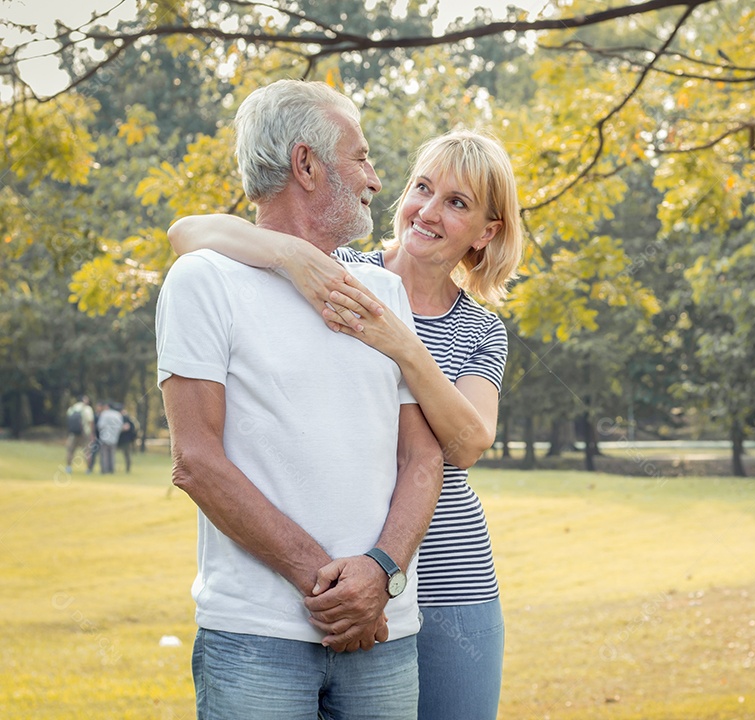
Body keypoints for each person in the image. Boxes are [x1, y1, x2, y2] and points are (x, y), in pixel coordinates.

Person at [169, 128, 524, 720]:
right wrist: (289, 253)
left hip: (447, 575)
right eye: (422, 188)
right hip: (350, 565)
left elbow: (466, 442)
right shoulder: (347, 274)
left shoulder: (480, 329)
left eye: (457, 203)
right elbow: (187, 233)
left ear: (486, 233)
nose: (428, 211)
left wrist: (402, 344)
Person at [63, 395, 94, 474]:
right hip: (85, 433)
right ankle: (88, 469)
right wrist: (92, 434)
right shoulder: (87, 409)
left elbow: (68, 421)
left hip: (73, 433)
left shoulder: (72, 408)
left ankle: (68, 467)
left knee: (70, 451)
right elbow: (90, 422)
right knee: (87, 451)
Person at [96, 402, 124, 474]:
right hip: (114, 438)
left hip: (105, 437)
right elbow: (120, 427)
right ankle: (111, 470)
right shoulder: (118, 415)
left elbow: (100, 425)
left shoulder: (104, 414)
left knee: (104, 454)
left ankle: (104, 470)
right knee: (112, 455)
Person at [116, 405, 139, 473]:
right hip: (121, 439)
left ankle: (128, 469)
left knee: (127, 455)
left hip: (125, 440)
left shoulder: (127, 418)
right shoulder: (121, 418)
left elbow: (131, 428)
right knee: (126, 455)